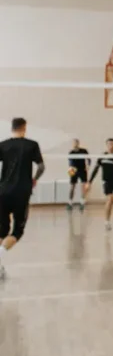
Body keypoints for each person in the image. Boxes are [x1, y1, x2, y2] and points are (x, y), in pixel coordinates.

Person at [0, 118, 46, 280]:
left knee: (2, 230)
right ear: (24, 128)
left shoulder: (3, 145)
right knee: (17, 231)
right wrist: (34, 179)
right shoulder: (32, 145)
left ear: (12, 128)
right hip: (22, 192)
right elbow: (41, 166)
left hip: (3, 191)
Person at [67, 138, 91, 212]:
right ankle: (70, 203)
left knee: (83, 187)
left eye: (76, 143)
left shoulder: (84, 151)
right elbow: (70, 163)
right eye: (74, 143)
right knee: (72, 187)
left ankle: (82, 202)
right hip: (73, 170)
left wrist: (88, 166)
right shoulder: (71, 152)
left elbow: (89, 159)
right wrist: (70, 172)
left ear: (78, 143)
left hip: (82, 170)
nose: (75, 144)